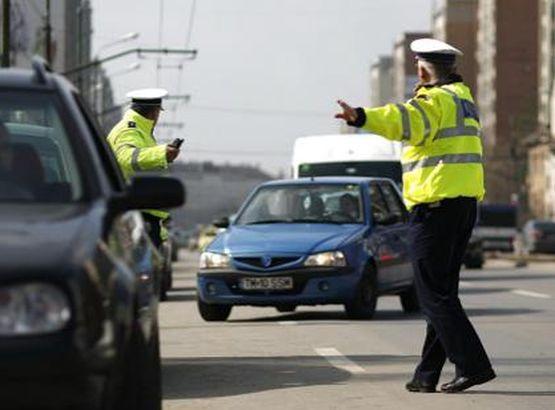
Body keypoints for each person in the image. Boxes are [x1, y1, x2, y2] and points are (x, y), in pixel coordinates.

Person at [335, 38, 495, 393]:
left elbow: (402, 120)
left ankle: (473, 365)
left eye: (418, 67)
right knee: (442, 293)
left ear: (423, 69)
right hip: (462, 205)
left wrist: (360, 116)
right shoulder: (462, 100)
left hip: (435, 207)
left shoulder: (433, 100)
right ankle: (426, 375)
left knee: (433, 295)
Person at [107, 88, 181, 248]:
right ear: (154, 112)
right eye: (158, 113)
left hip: (144, 216)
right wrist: (161, 153)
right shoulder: (129, 130)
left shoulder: (140, 131)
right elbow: (126, 157)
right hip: (137, 218)